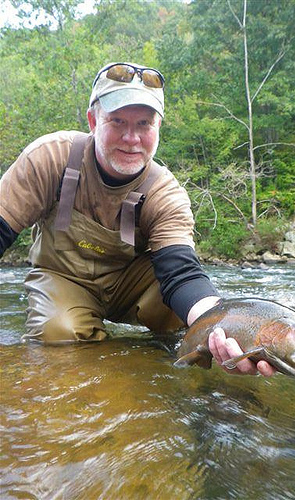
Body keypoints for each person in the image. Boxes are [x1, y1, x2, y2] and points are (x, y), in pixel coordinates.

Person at [0, 61, 274, 377]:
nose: (131, 138)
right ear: (92, 121)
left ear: (158, 128)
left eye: (144, 124)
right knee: (57, 336)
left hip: (133, 288)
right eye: (117, 121)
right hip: (64, 278)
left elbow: (182, 274)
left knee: (187, 319)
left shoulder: (165, 192)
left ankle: (167, 356)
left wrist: (224, 329)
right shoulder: (50, 157)